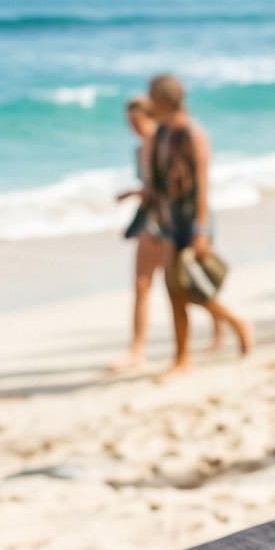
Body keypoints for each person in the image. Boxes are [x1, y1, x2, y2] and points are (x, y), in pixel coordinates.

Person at [144, 73, 252, 378]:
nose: (150, 102)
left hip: (191, 221)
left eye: (152, 96)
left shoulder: (192, 134)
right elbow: (161, 182)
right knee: (175, 290)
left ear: (164, 100)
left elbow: (203, 186)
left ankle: (235, 323)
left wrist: (200, 230)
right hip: (168, 221)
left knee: (190, 288)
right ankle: (182, 358)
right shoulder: (162, 132)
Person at [109, 97, 172, 372]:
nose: (134, 128)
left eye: (137, 121)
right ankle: (137, 349)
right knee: (142, 284)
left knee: (182, 286)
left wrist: (134, 193)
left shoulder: (166, 147)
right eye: (130, 123)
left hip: (169, 223)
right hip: (150, 222)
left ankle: (230, 323)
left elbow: (169, 188)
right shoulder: (140, 150)